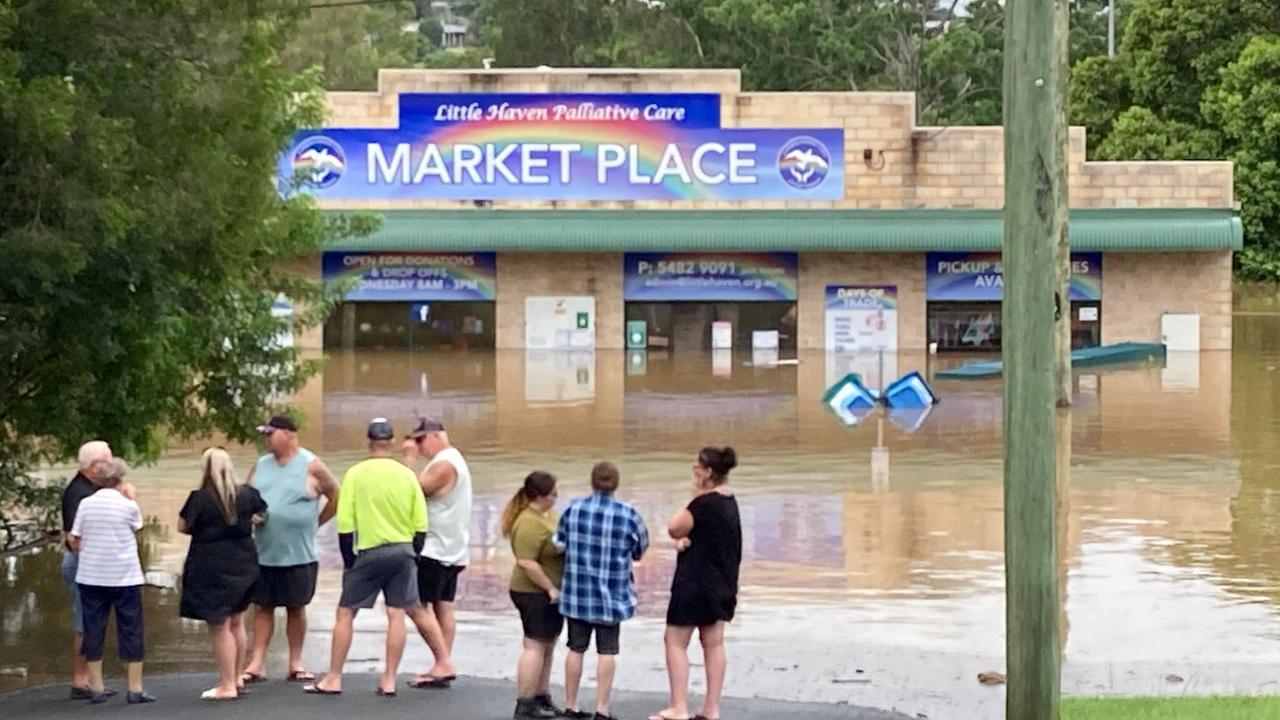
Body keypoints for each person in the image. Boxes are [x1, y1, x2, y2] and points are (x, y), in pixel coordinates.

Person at [304, 418, 427, 698]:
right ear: (392, 442)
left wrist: (350, 561)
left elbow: (345, 524)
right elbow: (421, 523)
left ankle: (334, 678)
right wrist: (413, 553)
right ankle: (389, 680)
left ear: (368, 442)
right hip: (403, 550)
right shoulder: (406, 474)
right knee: (397, 613)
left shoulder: (355, 474)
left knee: (346, 612)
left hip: (370, 551)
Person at [242, 415, 339, 685]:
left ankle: (295, 662)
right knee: (263, 607)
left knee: (296, 607)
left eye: (271, 434)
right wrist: (250, 516)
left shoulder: (312, 465)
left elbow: (336, 496)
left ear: (288, 435)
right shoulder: (261, 465)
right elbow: (246, 499)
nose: (267, 439)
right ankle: (257, 663)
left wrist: (317, 522)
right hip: (264, 550)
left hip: (299, 553)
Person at [649, 447, 743, 720]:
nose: (694, 470)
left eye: (697, 468)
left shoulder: (703, 503)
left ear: (708, 472)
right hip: (722, 582)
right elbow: (703, 535)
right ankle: (711, 709)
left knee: (675, 641)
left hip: (694, 582)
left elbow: (675, 526)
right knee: (713, 642)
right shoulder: (729, 501)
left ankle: (678, 706)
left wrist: (694, 495)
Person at [556, 462, 650, 720]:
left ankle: (570, 705)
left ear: (592, 482)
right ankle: (601, 708)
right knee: (607, 651)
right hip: (611, 596)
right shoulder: (628, 514)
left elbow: (559, 543)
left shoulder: (573, 509)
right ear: (616, 484)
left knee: (575, 648)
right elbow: (640, 548)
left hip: (577, 593)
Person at [179, 448, 269, 701]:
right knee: (237, 622)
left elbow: (183, 526)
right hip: (244, 561)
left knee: (219, 625)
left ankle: (227, 684)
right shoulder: (247, 494)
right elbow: (262, 514)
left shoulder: (199, 499)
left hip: (211, 565)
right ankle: (237, 676)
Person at [69, 458, 155, 705]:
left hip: (91, 575)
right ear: (120, 479)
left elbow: (75, 539)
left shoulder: (85, 504)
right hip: (124, 575)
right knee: (131, 627)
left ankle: (96, 686)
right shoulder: (127, 506)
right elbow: (137, 528)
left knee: (93, 627)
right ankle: (135, 687)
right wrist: (132, 498)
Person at [402, 417, 468, 688]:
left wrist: (408, 459)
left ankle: (443, 661)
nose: (418, 446)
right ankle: (442, 663)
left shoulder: (444, 464)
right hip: (451, 546)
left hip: (436, 547)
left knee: (414, 604)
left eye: (420, 441)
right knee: (443, 605)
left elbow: (412, 490)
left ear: (435, 436)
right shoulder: (452, 459)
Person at [503, 471, 564, 720]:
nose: (556, 498)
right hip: (532, 592)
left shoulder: (548, 515)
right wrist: (549, 587)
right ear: (539, 496)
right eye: (553, 494)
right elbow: (527, 562)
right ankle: (525, 702)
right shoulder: (528, 522)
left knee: (548, 643)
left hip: (548, 591)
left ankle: (542, 695)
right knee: (535, 645)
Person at [62, 441, 112, 700]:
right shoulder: (79, 493)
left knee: (91, 620)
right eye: (108, 460)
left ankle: (90, 678)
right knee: (85, 621)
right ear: (94, 466)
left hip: (87, 563)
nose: (112, 466)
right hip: (81, 564)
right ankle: (81, 680)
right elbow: (73, 537)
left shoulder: (89, 488)